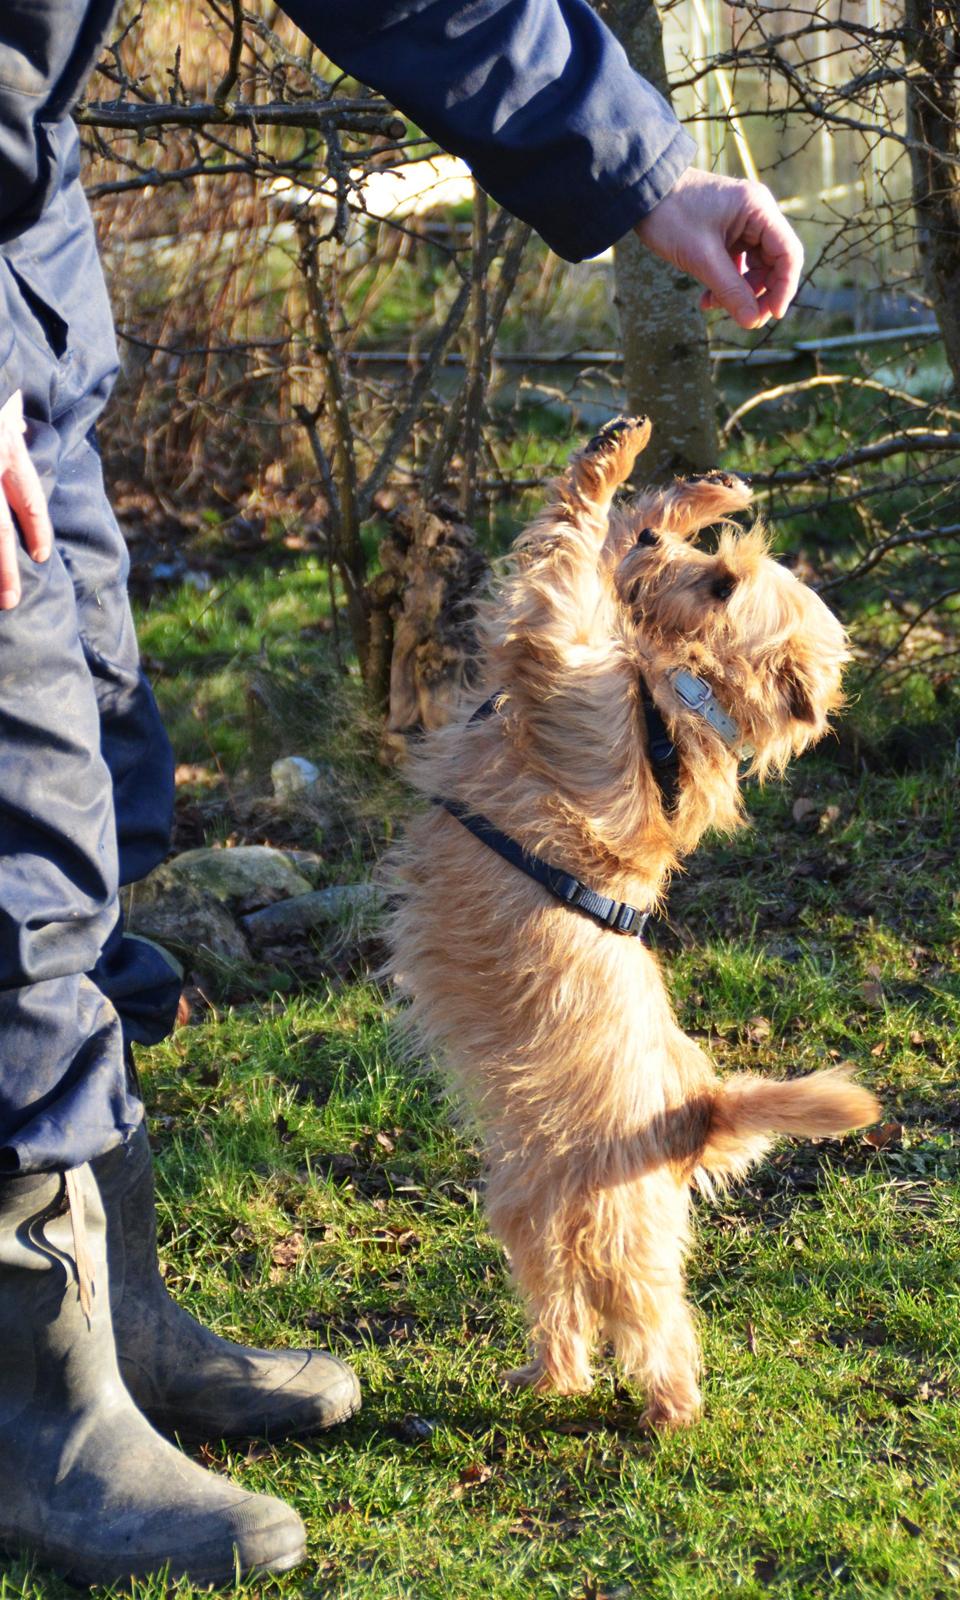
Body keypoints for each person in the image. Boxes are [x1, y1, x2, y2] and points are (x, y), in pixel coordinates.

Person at [0, 0, 804, 1586]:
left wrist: (640, 166)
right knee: (15, 840)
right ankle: (34, 1408)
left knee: (98, 791)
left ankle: (110, 1317)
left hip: (29, 295)